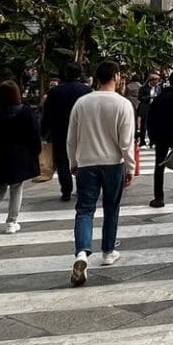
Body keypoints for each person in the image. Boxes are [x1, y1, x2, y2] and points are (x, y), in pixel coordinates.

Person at [67, 61, 136, 286]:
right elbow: (126, 141)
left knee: (84, 210)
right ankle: (107, 252)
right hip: (113, 163)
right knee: (111, 208)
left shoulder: (82, 102)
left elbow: (72, 137)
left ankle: (81, 254)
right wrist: (131, 167)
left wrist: (73, 161)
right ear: (116, 77)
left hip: (87, 163)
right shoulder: (123, 104)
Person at [0, 80, 41, 235]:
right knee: (16, 187)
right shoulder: (26, 112)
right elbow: (34, 134)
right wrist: (35, 152)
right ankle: (11, 223)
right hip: (19, 156)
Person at [42, 64, 92, 201]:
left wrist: (44, 132)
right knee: (83, 161)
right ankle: (83, 188)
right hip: (83, 131)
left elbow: (47, 114)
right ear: (80, 74)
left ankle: (66, 190)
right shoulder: (87, 90)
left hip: (61, 131)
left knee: (63, 162)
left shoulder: (55, 91)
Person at [146, 69, 173, 207]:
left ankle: (158, 197)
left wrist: (152, 136)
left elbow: (150, 118)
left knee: (159, 165)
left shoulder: (159, 97)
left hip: (161, 136)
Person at [138, 71, 161, 147]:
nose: (157, 82)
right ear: (151, 80)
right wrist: (149, 97)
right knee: (144, 125)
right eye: (156, 80)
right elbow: (140, 97)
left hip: (155, 108)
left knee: (153, 125)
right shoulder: (143, 88)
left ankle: (152, 141)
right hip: (146, 107)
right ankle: (142, 142)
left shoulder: (158, 88)